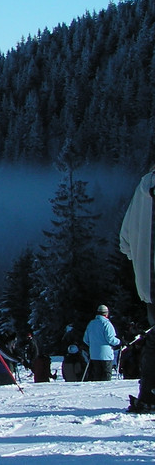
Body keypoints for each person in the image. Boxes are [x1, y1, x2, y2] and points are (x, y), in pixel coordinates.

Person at [120, 163, 155, 412]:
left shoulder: (143, 187)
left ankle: (150, 392)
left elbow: (125, 241)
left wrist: (141, 262)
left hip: (149, 285)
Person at [83, 305, 120, 381]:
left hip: (94, 354)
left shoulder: (91, 324)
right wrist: (119, 342)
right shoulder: (107, 324)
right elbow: (110, 339)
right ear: (106, 313)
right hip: (106, 354)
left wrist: (93, 345)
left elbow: (85, 339)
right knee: (106, 374)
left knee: (97, 374)